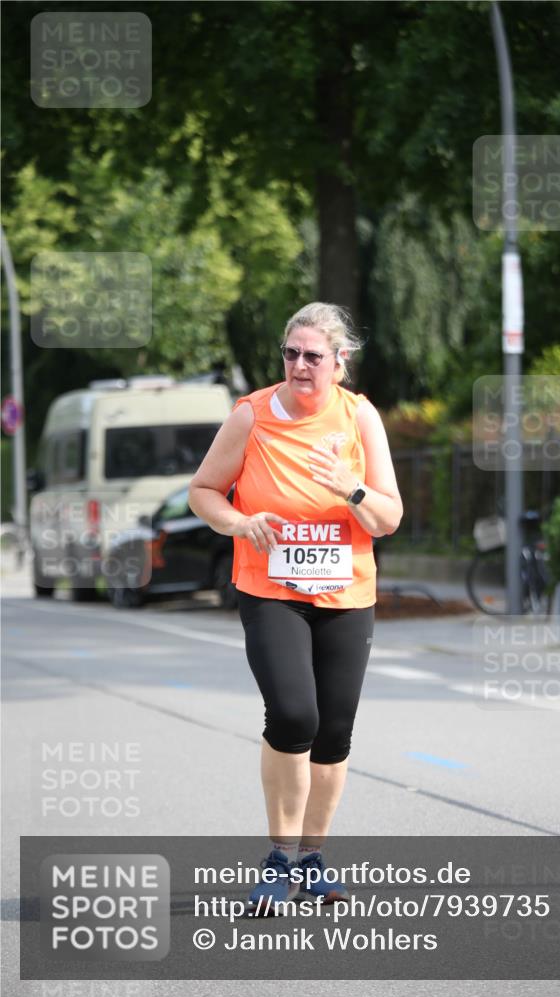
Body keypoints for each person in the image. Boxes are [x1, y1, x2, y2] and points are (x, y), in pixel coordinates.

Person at [188, 302, 403, 914]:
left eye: (314, 355)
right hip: (271, 590)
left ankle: (312, 859)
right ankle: (278, 858)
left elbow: (387, 518)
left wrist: (350, 488)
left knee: (334, 732)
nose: (300, 365)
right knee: (293, 716)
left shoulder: (360, 417)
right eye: (291, 353)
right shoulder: (251, 416)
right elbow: (204, 491)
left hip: (346, 595)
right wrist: (240, 520)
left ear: (340, 361)